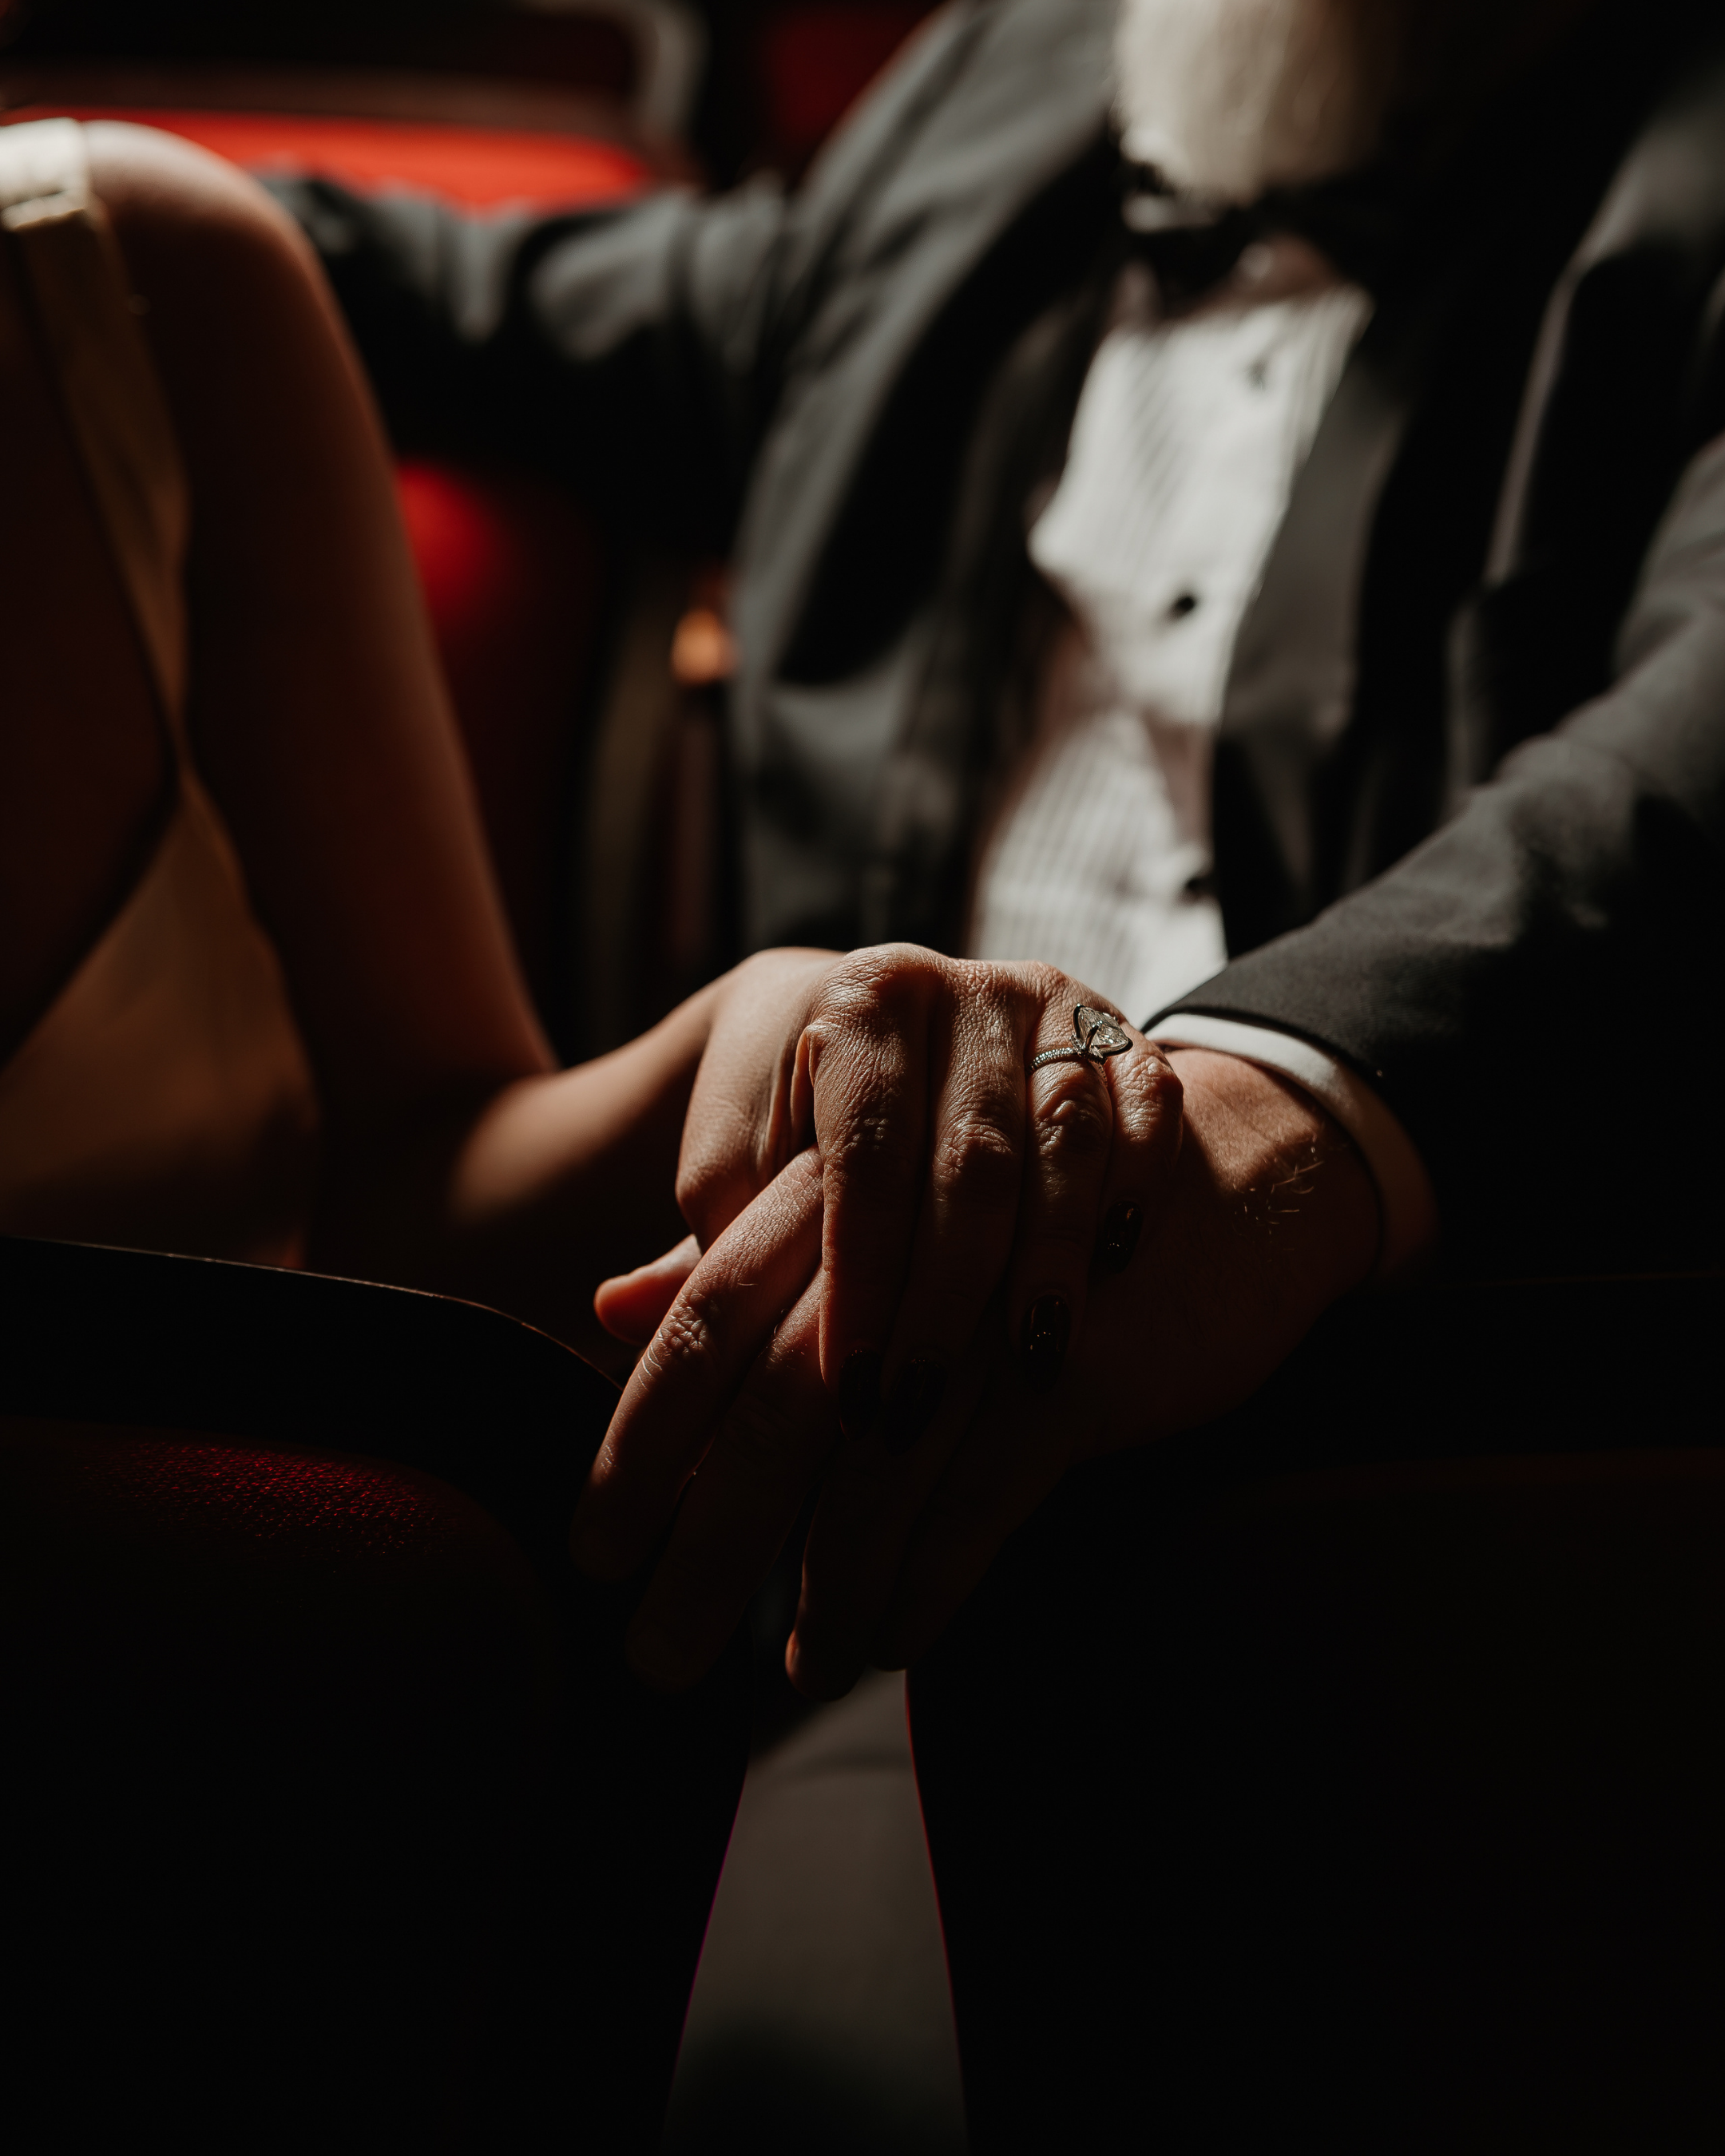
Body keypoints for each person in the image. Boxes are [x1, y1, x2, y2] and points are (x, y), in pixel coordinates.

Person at [268, 0, 1725, 1700]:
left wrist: (1281, 1095)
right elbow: (502, 305)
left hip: (1373, 1557)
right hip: (782, 1519)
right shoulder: (1019, 71)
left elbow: (1670, 768)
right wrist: (99, 225)